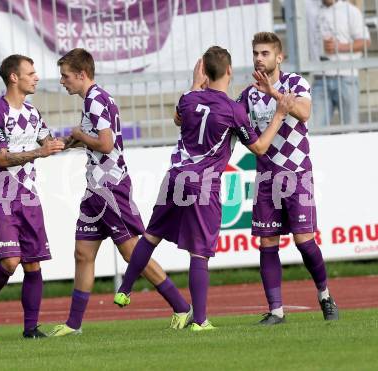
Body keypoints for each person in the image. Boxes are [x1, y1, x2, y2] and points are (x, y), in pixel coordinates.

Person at [113, 46, 293, 331]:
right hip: (204, 184)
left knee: (150, 236)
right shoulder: (233, 110)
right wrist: (280, 114)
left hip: (174, 177)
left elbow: (178, 117)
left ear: (203, 73)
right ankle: (199, 321)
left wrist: (196, 85)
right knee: (200, 253)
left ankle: (124, 289)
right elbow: (259, 147)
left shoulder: (187, 99)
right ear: (229, 71)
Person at [49, 48, 191, 336]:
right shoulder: (93, 99)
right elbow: (97, 140)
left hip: (110, 187)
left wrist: (78, 136)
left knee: (131, 252)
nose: (62, 81)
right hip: (95, 189)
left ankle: (181, 307)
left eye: (65, 76)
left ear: (81, 74)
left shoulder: (97, 99)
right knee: (82, 253)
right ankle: (73, 325)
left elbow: (105, 144)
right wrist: (67, 142)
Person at [237, 32, 339, 325]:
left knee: (304, 241)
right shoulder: (247, 95)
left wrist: (274, 94)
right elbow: (231, 121)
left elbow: (304, 112)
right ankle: (276, 311)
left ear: (279, 57)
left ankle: (324, 295)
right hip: (266, 177)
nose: (259, 58)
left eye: (265, 53)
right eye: (256, 53)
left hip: (297, 174)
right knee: (267, 243)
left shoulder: (295, 83)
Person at [0, 54, 66, 339]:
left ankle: (31, 329)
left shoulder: (33, 113)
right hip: (0, 195)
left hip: (28, 196)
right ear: (14, 77)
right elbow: (1, 159)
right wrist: (41, 151)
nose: (36, 76)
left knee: (33, 262)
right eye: (31, 72)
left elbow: (49, 142)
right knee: (10, 262)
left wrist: (83, 138)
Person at [310, 0, 370, 126]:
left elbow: (365, 41)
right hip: (320, 78)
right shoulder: (309, 7)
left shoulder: (351, 10)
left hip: (346, 77)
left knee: (351, 130)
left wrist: (339, 47)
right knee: (314, 131)